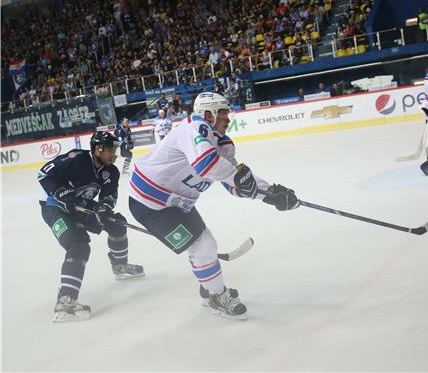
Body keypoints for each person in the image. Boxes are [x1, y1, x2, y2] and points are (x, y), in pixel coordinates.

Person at [127, 92, 299, 320]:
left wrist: (272, 194)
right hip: (149, 203)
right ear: (208, 114)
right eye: (224, 113)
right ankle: (217, 295)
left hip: (178, 202)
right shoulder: (194, 127)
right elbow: (207, 164)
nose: (228, 119)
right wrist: (242, 181)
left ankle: (209, 285)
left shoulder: (222, 144)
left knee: (202, 244)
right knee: (204, 245)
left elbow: (236, 185)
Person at [38, 131, 145, 322]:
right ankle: (66, 302)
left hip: (81, 206)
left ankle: (119, 266)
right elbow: (44, 173)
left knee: (117, 223)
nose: (114, 154)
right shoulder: (76, 159)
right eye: (111, 149)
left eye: (115, 149)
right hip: (55, 208)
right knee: (78, 245)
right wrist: (60, 192)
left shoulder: (111, 171)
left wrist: (104, 208)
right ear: (97, 149)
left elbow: (109, 196)